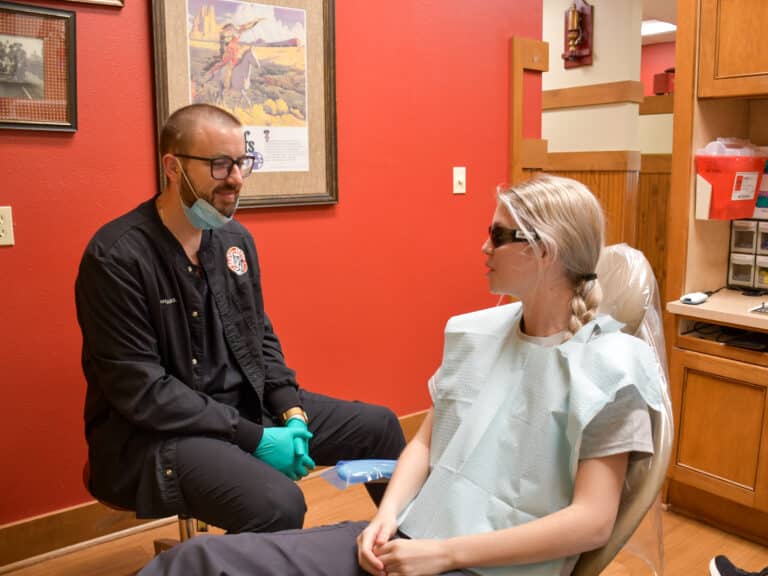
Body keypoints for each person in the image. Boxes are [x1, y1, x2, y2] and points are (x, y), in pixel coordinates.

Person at [136, 174, 665, 576]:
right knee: (196, 561)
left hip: (483, 565)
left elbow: (592, 521)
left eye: (496, 235)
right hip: (412, 539)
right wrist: (385, 518)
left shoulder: (610, 369)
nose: (482, 248)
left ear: (543, 253)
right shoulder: (476, 335)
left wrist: (444, 553)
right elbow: (423, 445)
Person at [75, 103, 405, 534]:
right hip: (159, 435)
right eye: (219, 164)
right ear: (173, 168)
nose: (236, 178)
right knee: (277, 504)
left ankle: (413, 549)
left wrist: (291, 412)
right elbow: (145, 393)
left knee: (379, 428)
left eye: (241, 162)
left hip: (243, 409)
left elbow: (258, 337)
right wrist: (256, 439)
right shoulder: (116, 258)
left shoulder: (235, 241)